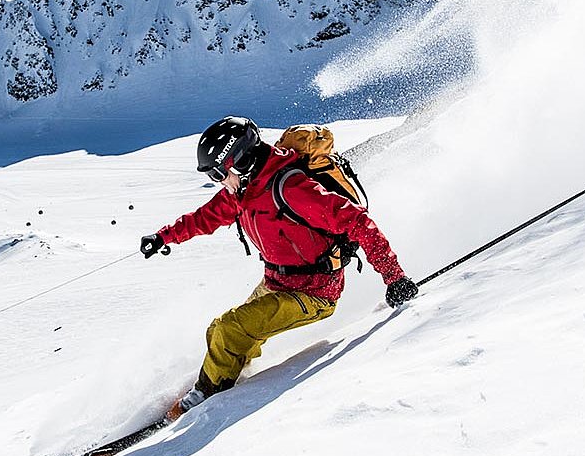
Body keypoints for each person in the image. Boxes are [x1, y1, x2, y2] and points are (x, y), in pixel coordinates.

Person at [140, 116, 418, 420]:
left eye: (219, 173)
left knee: (230, 328)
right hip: (277, 281)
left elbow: (356, 220)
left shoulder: (292, 188)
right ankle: (223, 380)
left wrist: (394, 277)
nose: (218, 182)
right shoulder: (244, 191)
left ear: (241, 160)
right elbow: (204, 218)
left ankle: (204, 398)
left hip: (313, 292)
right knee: (220, 331)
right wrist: (163, 236)